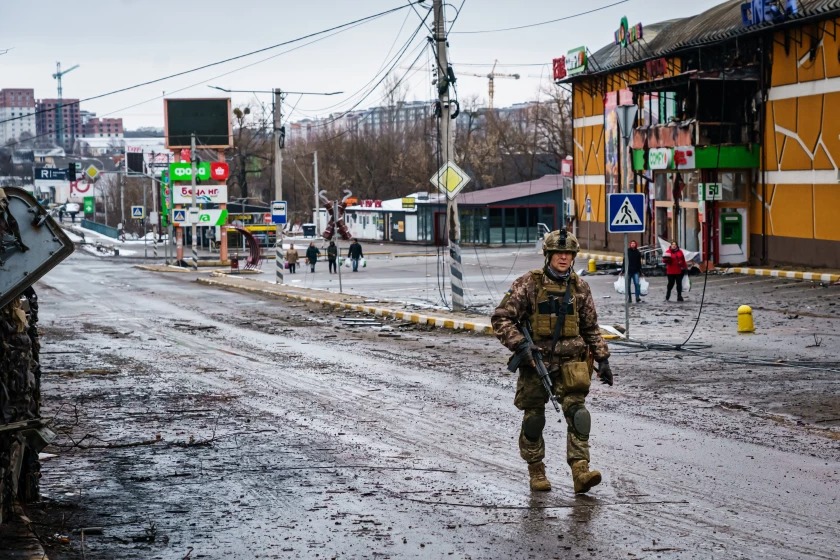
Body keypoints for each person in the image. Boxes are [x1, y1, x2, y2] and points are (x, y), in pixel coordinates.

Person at [491, 229, 613, 494]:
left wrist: (602, 358)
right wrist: (520, 344)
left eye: (568, 253)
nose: (563, 258)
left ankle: (580, 471)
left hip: (571, 363)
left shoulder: (580, 287)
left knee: (578, 415)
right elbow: (501, 318)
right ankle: (536, 471)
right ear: (548, 255)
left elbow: (591, 327)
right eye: (558, 253)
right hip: (537, 363)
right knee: (534, 418)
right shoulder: (529, 283)